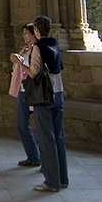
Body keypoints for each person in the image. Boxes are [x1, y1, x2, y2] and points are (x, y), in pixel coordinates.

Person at [11, 15, 67, 192]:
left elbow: (33, 73)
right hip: (58, 94)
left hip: (44, 97)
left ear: (36, 31)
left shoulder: (38, 47)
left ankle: (51, 182)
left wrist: (19, 62)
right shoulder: (54, 44)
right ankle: (62, 178)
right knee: (58, 137)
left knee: (46, 138)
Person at [9, 23, 40, 167]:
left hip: (34, 92)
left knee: (41, 127)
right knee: (21, 124)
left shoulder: (38, 50)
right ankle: (33, 156)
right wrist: (19, 57)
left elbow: (33, 72)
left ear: (34, 34)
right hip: (23, 91)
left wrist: (19, 62)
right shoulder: (26, 50)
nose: (24, 36)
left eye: (26, 33)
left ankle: (43, 160)